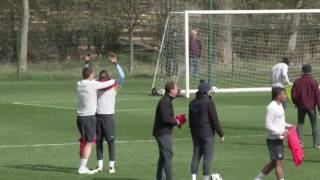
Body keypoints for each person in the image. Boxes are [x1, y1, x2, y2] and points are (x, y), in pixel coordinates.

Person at [76, 65, 116, 174]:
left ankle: (83, 166)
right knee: (89, 142)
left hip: (79, 118)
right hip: (88, 118)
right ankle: (82, 168)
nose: (94, 75)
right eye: (92, 74)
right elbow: (108, 83)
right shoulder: (92, 84)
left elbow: (87, 75)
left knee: (85, 142)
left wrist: (86, 63)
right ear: (90, 75)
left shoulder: (79, 84)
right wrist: (113, 80)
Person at [95, 53, 125, 173]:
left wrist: (116, 64)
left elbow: (122, 77)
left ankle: (111, 166)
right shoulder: (96, 86)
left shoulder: (113, 86)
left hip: (108, 117)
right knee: (99, 142)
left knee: (110, 142)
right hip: (98, 117)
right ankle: (100, 166)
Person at [254, 88, 293, 180]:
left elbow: (280, 121)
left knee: (274, 163)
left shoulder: (280, 105)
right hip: (273, 140)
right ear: (279, 96)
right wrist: (281, 132)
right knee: (277, 163)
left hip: (279, 139)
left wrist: (289, 125)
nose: (285, 96)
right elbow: (268, 124)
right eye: (284, 94)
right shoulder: (271, 107)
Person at [189, 81, 224, 180]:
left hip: (195, 134)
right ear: (205, 91)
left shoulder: (192, 103)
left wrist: (193, 132)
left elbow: (191, 121)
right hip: (207, 134)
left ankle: (193, 178)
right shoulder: (209, 103)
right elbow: (214, 120)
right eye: (208, 90)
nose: (210, 92)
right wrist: (221, 134)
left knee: (196, 156)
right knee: (207, 158)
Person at [153, 81, 182, 180]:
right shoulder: (165, 101)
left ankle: (159, 177)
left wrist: (176, 120)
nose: (177, 89)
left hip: (163, 131)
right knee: (168, 155)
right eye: (176, 88)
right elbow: (166, 118)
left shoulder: (167, 100)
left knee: (163, 156)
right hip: (163, 132)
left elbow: (166, 117)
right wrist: (176, 121)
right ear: (171, 90)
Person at [291, 64, 320, 149]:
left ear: (302, 71)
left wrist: (296, 102)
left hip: (301, 107)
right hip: (311, 107)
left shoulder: (297, 81)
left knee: (300, 123)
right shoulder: (314, 82)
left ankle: (299, 143)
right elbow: (318, 95)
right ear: (310, 71)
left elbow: (293, 95)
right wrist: (319, 107)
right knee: (314, 124)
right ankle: (315, 144)